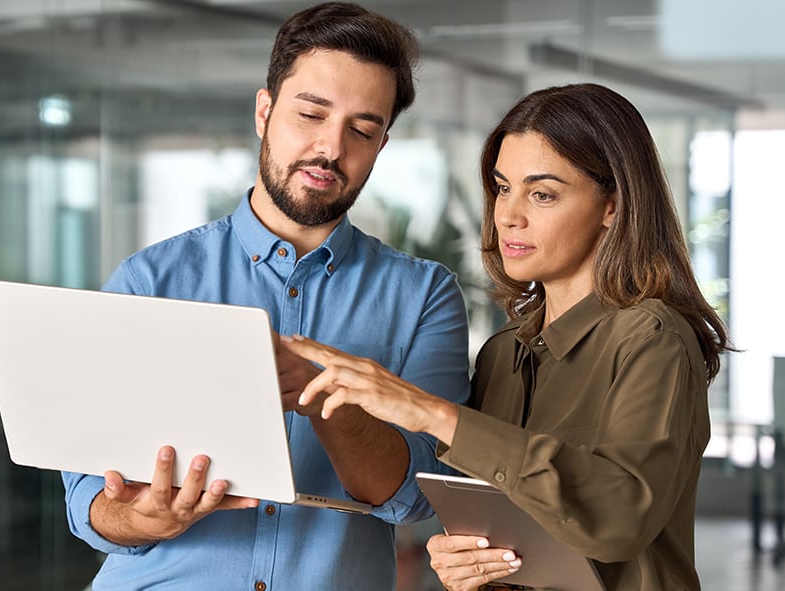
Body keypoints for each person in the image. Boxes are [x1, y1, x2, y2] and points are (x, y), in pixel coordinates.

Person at [60, 3, 471, 589]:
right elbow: (87, 502)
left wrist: (322, 395)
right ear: (265, 110)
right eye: (311, 113)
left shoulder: (424, 295)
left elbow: (417, 496)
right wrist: (141, 517)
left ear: (382, 144)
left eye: (362, 129)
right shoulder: (149, 282)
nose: (331, 148)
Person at [284, 82, 734, 591]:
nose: (508, 215)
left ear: (613, 206)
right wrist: (462, 558)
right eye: (503, 187)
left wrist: (431, 412)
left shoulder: (652, 337)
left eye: (542, 194)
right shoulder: (503, 354)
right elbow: (503, 526)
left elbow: (618, 519)